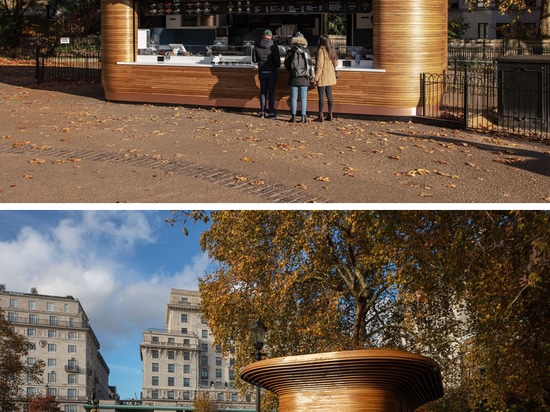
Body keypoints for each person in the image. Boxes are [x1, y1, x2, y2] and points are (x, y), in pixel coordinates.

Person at [284, 32, 314, 123]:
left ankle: (293, 117)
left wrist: (293, 71)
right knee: (303, 98)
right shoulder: (307, 51)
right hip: (304, 77)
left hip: (294, 77)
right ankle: (303, 117)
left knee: (294, 97)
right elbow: (310, 64)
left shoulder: (290, 51)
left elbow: (287, 65)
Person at [252, 29, 281, 119]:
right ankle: (271, 112)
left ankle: (263, 112)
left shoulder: (257, 45)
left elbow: (254, 60)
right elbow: (277, 62)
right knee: (271, 93)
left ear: (263, 36)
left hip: (262, 72)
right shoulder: (273, 46)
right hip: (272, 72)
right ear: (271, 36)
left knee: (263, 93)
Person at [313, 35, 339, 122]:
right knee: (330, 96)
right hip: (330, 76)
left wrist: (315, 78)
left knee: (321, 97)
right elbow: (336, 63)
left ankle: (320, 115)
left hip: (323, 76)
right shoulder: (332, 50)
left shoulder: (321, 50)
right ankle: (330, 114)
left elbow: (319, 66)